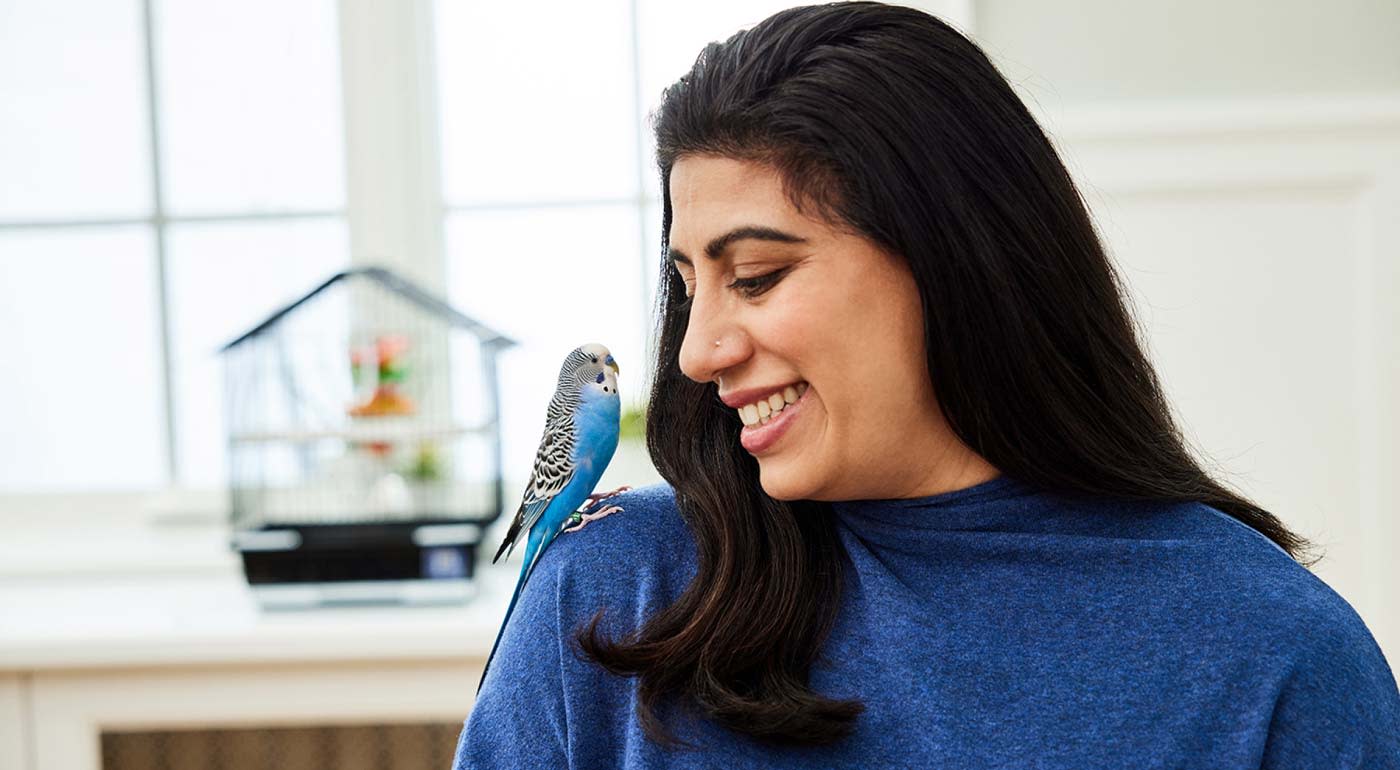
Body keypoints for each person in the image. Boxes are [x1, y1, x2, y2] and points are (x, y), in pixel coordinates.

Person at [453, 2, 1400, 767]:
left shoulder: (1274, 653)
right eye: (689, 285)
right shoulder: (612, 592)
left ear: (956, 262)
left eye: (756, 277)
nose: (697, 353)